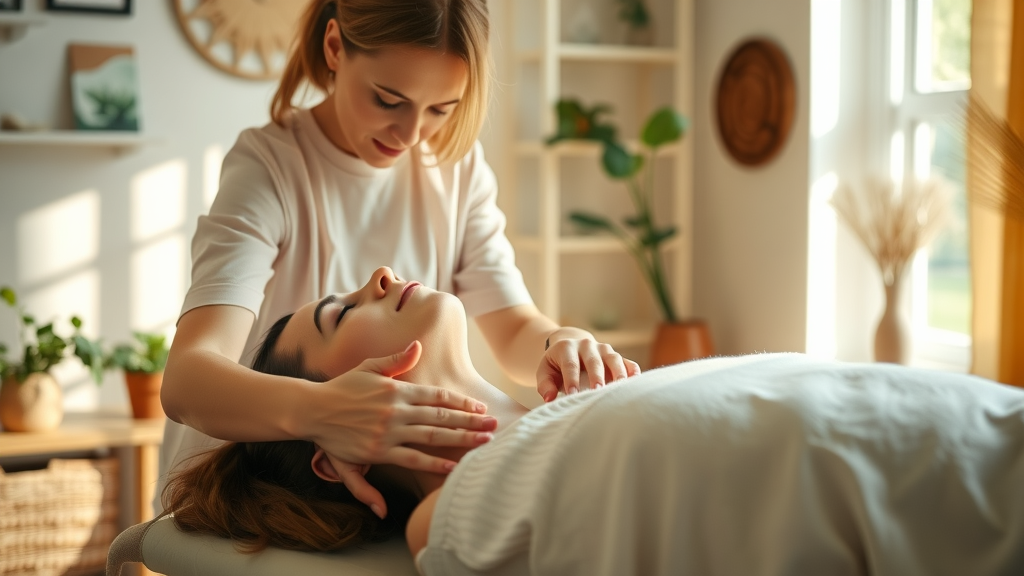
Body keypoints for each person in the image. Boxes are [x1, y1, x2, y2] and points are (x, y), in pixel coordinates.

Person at [164, 267, 1024, 576]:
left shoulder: (565, 410)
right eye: (339, 311)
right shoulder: (447, 521)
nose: (380, 274)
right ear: (334, 447)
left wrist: (575, 358)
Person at [158, 0, 640, 519]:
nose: (411, 135)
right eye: (389, 100)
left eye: (441, 109)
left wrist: (560, 342)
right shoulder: (269, 168)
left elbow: (514, 329)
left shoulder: (456, 169)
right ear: (335, 47)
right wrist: (324, 412)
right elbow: (187, 378)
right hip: (252, 486)